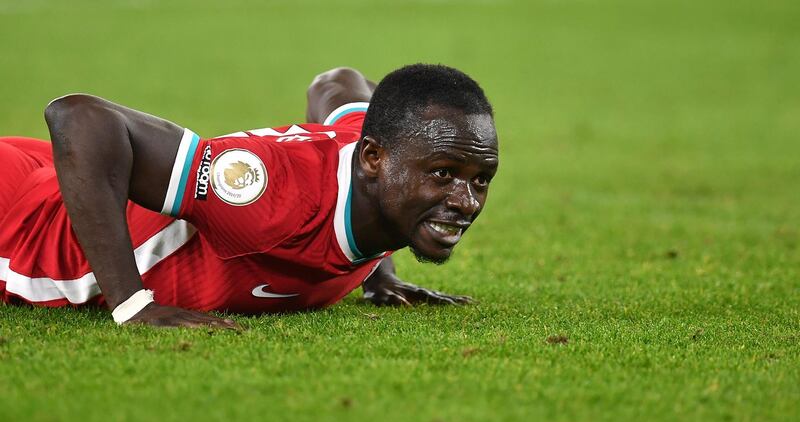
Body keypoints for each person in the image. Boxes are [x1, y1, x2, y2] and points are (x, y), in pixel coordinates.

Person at [0, 64, 499, 329]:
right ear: (372, 160)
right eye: (443, 173)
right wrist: (133, 304)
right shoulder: (270, 199)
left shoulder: (377, 154)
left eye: (481, 179)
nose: (466, 201)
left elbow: (336, 83)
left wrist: (376, 272)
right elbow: (78, 118)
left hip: (53, 171)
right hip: (22, 223)